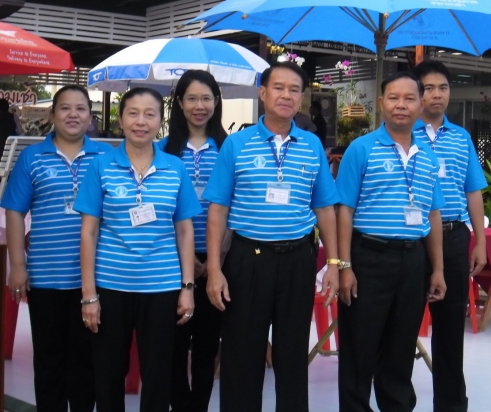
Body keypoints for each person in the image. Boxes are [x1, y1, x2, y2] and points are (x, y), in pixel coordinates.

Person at [203, 60, 340, 412]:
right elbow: (217, 210)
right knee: (242, 354)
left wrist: (335, 263)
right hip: (247, 260)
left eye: (294, 90)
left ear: (302, 98)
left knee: (292, 355)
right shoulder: (236, 144)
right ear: (263, 93)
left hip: (298, 260)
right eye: (278, 87)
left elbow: (325, 208)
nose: (286, 95)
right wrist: (215, 269)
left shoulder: (312, 145)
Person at [73, 87, 202, 412]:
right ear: (120, 120)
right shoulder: (101, 166)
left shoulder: (175, 167)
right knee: (108, 374)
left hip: (162, 288)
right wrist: (89, 295)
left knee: (158, 376)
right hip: (110, 286)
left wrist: (187, 288)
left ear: (160, 121)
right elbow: (88, 232)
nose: (141, 121)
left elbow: (184, 230)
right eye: (133, 113)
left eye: (149, 114)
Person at [336, 71, 447, 412]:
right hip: (368, 257)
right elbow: (344, 210)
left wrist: (438, 269)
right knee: (360, 347)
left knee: (401, 348)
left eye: (409, 98)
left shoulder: (428, 157)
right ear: (382, 102)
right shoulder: (361, 149)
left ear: (420, 104)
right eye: (394, 98)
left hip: (413, 261)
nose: (402, 105)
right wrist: (344, 266)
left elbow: (433, 215)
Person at [1, 85, 112, 412]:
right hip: (45, 278)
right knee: (49, 361)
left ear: (90, 117)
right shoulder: (32, 157)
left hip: (93, 280)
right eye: (65, 108)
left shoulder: (106, 158)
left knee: (85, 362)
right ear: (53, 114)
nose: (73, 115)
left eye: (81, 108)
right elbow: (15, 211)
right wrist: (18, 266)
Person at [413, 60, 487, 412]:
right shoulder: (401, 132)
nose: (436, 95)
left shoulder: (461, 137)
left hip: (454, 236)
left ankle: (451, 405)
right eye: (428, 88)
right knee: (402, 325)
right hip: (413, 239)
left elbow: (473, 190)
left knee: (450, 327)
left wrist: (480, 241)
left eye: (443, 88)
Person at [159, 70, 227, 412]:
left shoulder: (229, 148)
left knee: (206, 344)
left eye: (206, 98)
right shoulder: (162, 151)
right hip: (171, 261)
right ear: (179, 103)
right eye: (191, 99)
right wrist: (185, 259)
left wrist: (214, 262)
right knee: (171, 343)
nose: (199, 106)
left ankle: (197, 406)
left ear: (216, 102)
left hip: (219, 262)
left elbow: (237, 205)